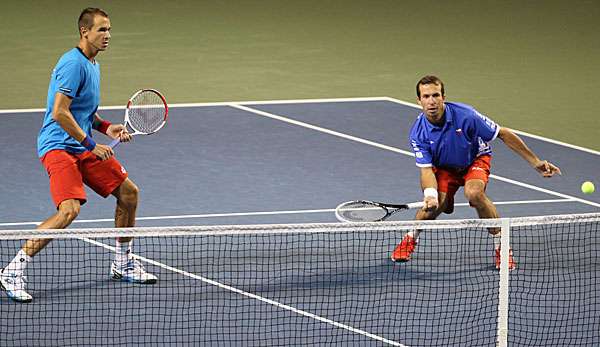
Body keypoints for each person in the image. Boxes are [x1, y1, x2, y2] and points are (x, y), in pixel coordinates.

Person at [0, 8, 157, 303]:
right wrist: (90, 144)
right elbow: (59, 112)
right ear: (84, 31)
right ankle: (12, 270)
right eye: (101, 30)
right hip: (59, 146)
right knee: (69, 210)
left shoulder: (93, 63)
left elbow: (83, 111)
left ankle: (122, 262)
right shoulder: (72, 64)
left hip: (80, 145)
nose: (107, 35)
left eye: (109, 29)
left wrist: (107, 127)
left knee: (129, 194)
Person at [391, 75, 561, 269]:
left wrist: (535, 162)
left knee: (474, 194)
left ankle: (502, 248)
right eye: (426, 96)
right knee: (433, 208)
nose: (432, 101)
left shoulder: (466, 115)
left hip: (474, 160)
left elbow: (502, 133)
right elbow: (426, 170)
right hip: (445, 167)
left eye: (436, 95)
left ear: (443, 97)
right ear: (419, 101)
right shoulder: (418, 132)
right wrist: (430, 195)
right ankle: (411, 237)